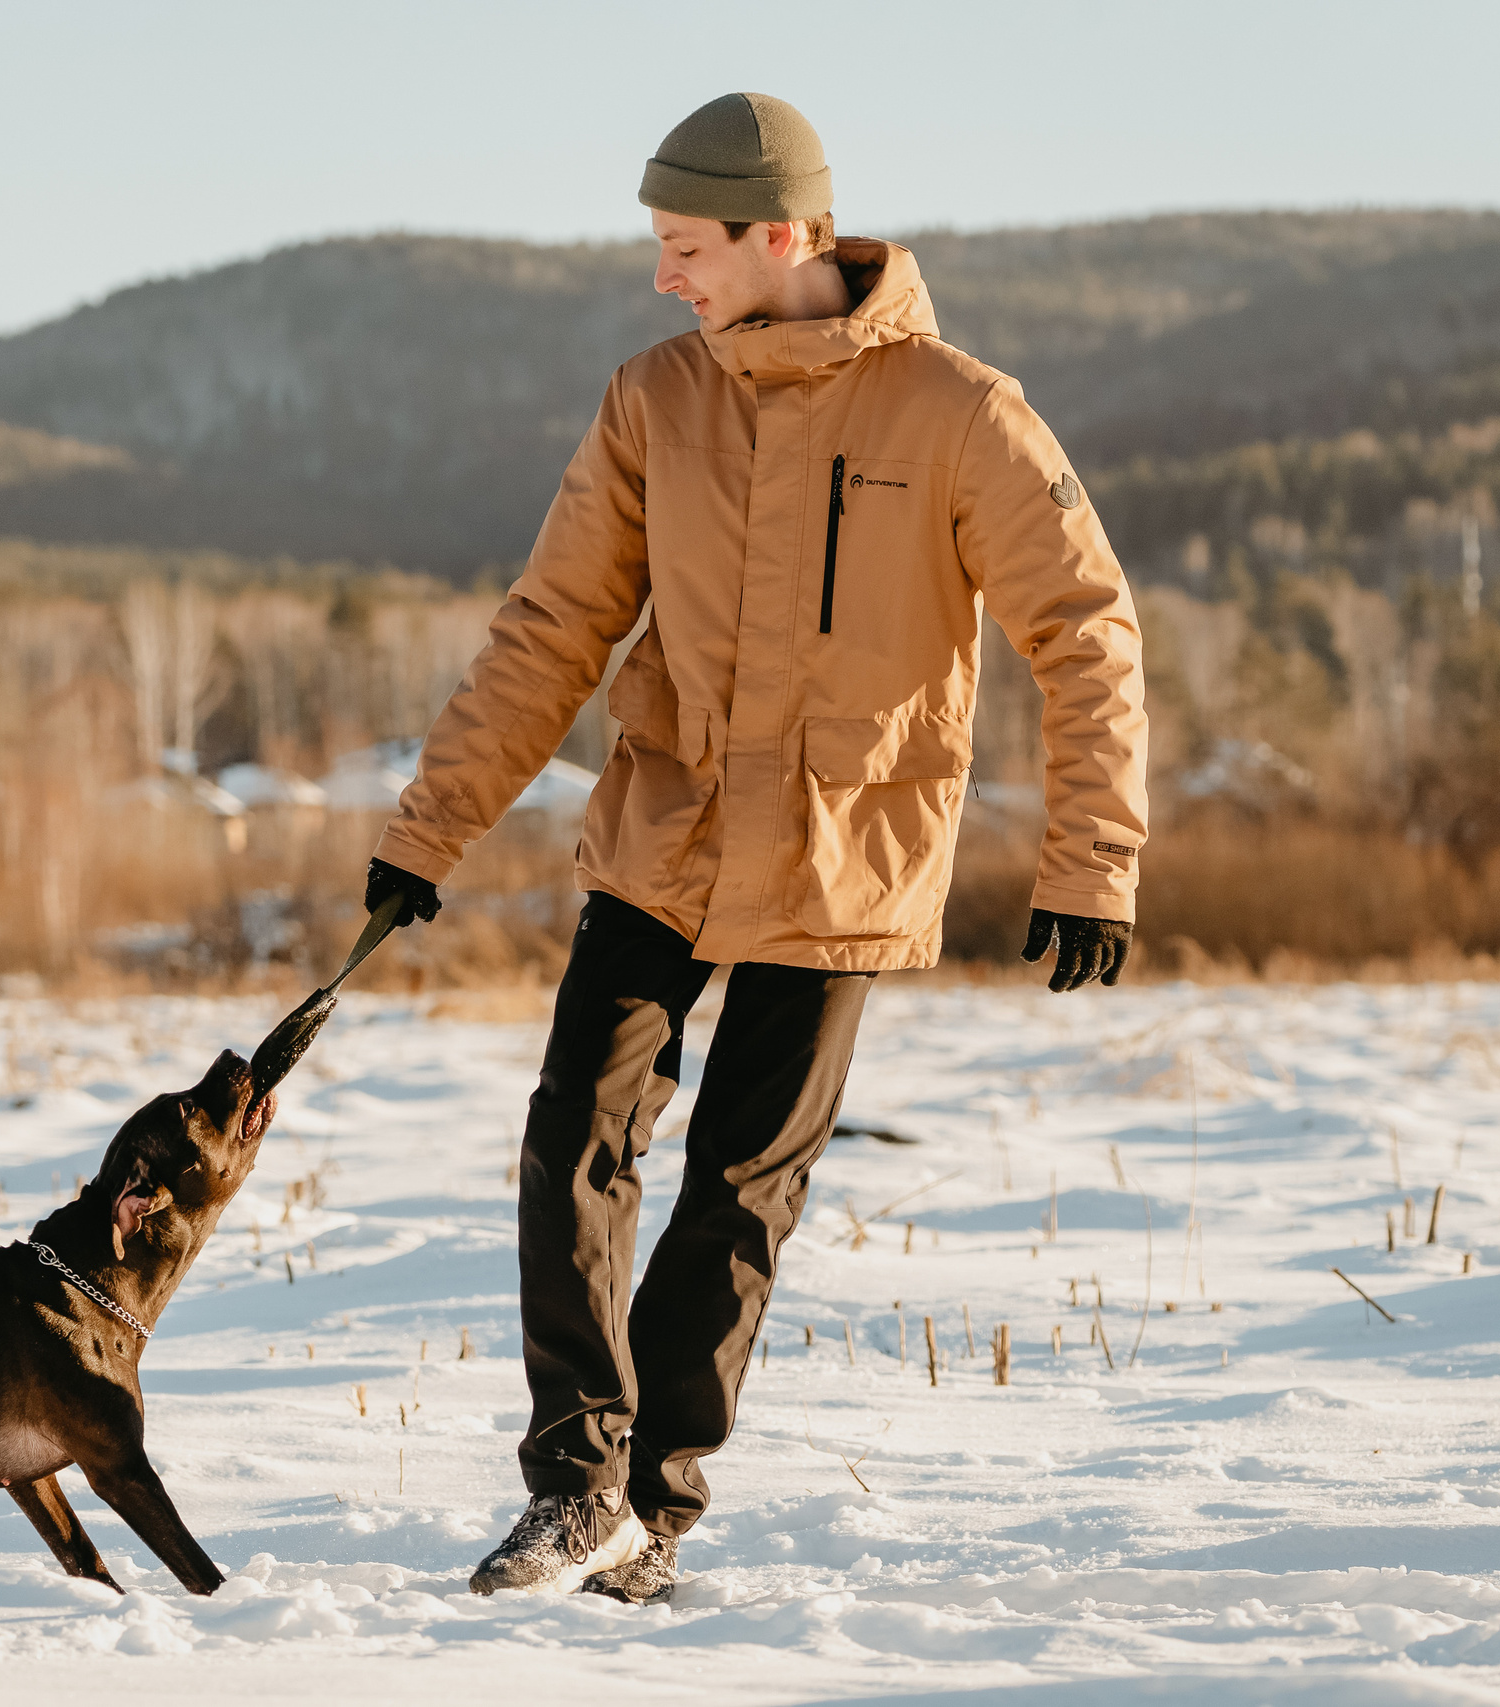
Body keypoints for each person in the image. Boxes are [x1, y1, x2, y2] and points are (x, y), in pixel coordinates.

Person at [363, 92, 1149, 1604]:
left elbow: (1085, 629)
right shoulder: (655, 400)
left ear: (780, 235)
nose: (665, 276)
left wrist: (1090, 858)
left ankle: (654, 1504)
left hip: (844, 856)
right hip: (666, 832)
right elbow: (553, 629)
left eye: (686, 247)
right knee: (572, 1142)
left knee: (740, 1188)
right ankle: (576, 1486)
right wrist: (432, 828)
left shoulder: (962, 411)